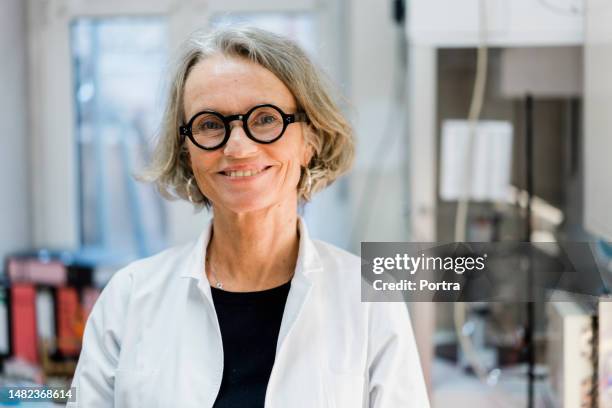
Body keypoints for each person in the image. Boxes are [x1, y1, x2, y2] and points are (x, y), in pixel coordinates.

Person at [68, 26, 429, 408]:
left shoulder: (369, 299)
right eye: (209, 125)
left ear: (311, 140)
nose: (238, 147)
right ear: (187, 151)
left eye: (265, 119)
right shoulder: (129, 297)